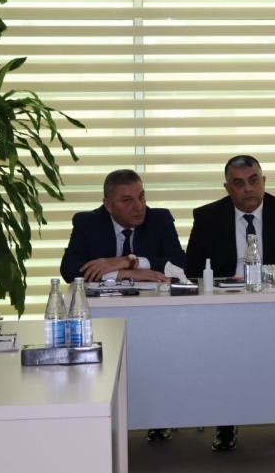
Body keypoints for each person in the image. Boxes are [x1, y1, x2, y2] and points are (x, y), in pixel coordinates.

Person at [185, 155, 275, 451]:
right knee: (224, 358)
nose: (248, 188)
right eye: (239, 183)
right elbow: (193, 271)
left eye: (253, 181)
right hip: (225, 305)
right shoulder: (207, 217)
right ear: (227, 188)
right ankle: (225, 422)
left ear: (263, 181)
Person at [60, 169, 186, 443]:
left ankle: (158, 416)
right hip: (104, 316)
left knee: (158, 356)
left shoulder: (159, 219)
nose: (139, 206)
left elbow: (180, 264)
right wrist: (123, 274)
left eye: (141, 197)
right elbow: (70, 269)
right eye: (127, 200)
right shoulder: (87, 223)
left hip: (156, 317)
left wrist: (129, 260)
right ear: (108, 204)